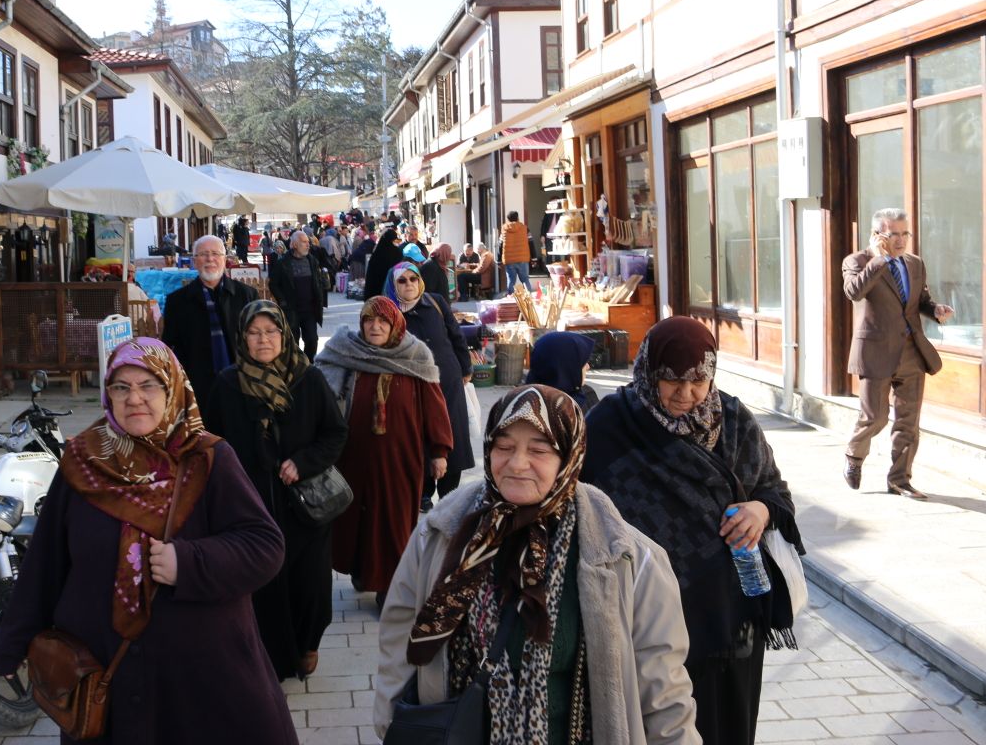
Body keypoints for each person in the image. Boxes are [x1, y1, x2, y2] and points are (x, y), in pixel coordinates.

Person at [0, 339, 298, 744]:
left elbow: (265, 546)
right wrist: (13, 639)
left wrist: (189, 562)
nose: (134, 398)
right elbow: (46, 562)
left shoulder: (208, 459)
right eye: (121, 387)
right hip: (104, 675)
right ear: (108, 394)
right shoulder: (82, 463)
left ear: (172, 389)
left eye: (149, 385)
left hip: (201, 680)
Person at [376, 384, 701, 745]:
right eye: (504, 447)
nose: (516, 463)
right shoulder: (440, 536)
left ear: (569, 457)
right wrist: (392, 724)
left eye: (539, 449)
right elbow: (398, 640)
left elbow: (664, 687)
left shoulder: (623, 556)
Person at [583, 316, 802, 745]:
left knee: (733, 727)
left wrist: (760, 510)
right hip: (648, 619)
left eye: (699, 381)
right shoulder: (612, 425)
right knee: (663, 725)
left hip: (731, 618)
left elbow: (777, 494)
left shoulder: (735, 420)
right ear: (649, 373)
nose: (687, 395)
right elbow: (583, 508)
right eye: (672, 382)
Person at [203, 300, 348, 681]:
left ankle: (307, 644)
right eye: (254, 332)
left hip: (305, 506)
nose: (263, 340)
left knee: (310, 584)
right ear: (243, 337)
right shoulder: (228, 384)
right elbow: (208, 442)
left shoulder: (308, 379)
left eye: (271, 332)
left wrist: (303, 461)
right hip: (251, 506)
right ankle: (271, 659)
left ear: (284, 335)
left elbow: (335, 433)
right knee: (264, 586)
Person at [315, 297, 454, 605]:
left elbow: (435, 408)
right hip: (353, 459)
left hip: (400, 460)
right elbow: (323, 398)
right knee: (358, 520)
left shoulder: (414, 356)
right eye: (368, 321)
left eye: (382, 322)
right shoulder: (346, 353)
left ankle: (390, 589)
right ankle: (364, 572)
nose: (374, 327)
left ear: (394, 326)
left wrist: (440, 451)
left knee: (394, 522)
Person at [842, 207, 952, 499]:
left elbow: (920, 301)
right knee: (875, 418)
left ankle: (899, 480)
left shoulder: (914, 264)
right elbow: (854, 292)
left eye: (906, 233)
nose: (902, 240)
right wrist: (879, 260)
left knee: (908, 423)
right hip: (876, 352)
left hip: (911, 353)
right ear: (878, 235)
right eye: (894, 234)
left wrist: (935, 310)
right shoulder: (857, 261)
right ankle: (854, 455)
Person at [384, 262, 473, 508]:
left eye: (413, 279)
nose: (409, 284)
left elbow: (455, 334)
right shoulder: (390, 312)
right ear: (394, 284)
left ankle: (449, 493)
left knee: (452, 434)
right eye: (402, 281)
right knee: (419, 437)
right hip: (414, 386)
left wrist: (466, 368)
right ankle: (424, 492)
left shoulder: (435, 301)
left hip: (447, 380)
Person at [161, 235, 257, 401]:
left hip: (243, 382)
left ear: (225, 259)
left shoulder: (247, 295)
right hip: (197, 387)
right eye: (203, 254)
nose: (210, 259)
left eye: (215, 253)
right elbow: (170, 346)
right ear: (195, 261)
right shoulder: (177, 302)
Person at [269, 230, 327, 359]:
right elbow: (273, 284)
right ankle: (295, 366)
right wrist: (282, 301)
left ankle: (308, 364)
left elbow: (317, 281)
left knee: (312, 340)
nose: (308, 245)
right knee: (292, 342)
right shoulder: (282, 263)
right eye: (304, 242)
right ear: (294, 244)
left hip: (310, 310)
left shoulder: (312, 260)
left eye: (308, 242)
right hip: (291, 310)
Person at [528, 330, 600, 415]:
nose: (588, 367)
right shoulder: (531, 413)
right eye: (582, 362)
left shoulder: (587, 394)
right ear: (565, 366)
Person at [364, 227, 404, 300]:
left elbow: (370, 274)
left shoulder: (377, 252)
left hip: (375, 291)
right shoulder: (396, 252)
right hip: (391, 291)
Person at [500, 211, 532, 293]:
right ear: (518, 218)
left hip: (509, 260)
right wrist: (534, 258)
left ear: (508, 219)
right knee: (525, 280)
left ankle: (510, 299)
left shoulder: (504, 229)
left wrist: (498, 259)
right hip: (523, 259)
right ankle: (529, 298)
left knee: (511, 281)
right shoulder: (525, 228)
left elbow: (500, 244)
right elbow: (531, 242)